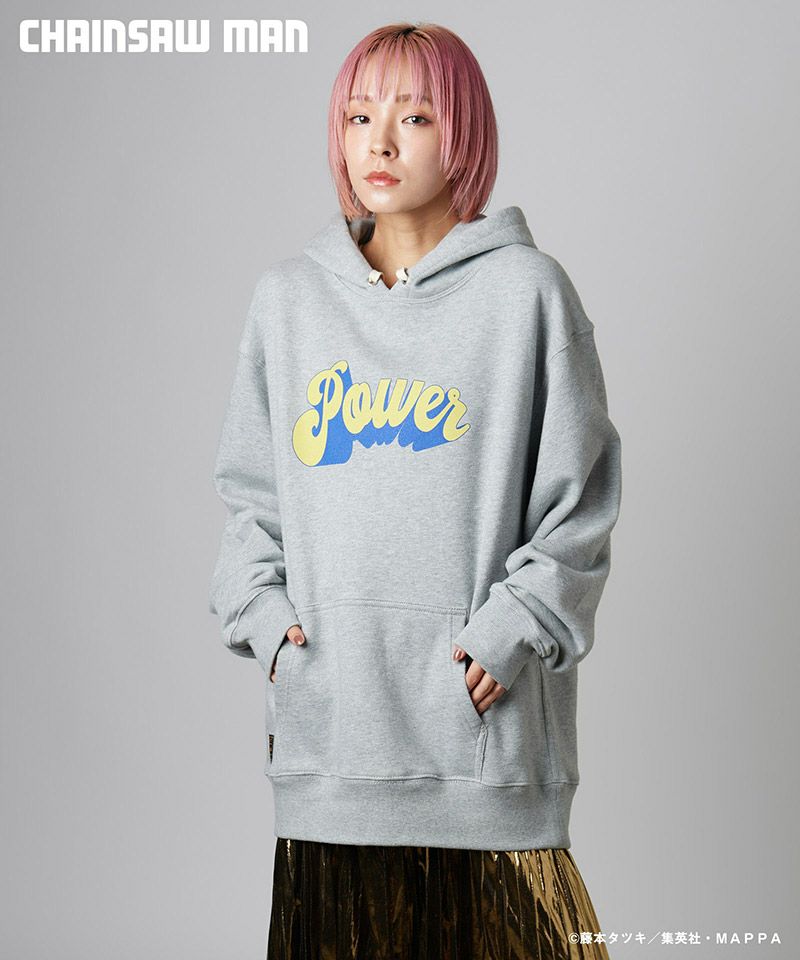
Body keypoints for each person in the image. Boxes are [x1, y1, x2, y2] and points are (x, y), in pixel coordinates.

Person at [209, 20, 622, 960]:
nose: (381, 143)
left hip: (484, 752)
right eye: (359, 117)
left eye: (416, 116)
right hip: (331, 743)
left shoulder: (529, 296)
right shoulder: (288, 300)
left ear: (463, 135)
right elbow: (249, 496)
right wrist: (265, 622)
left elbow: (582, 500)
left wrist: (518, 625)